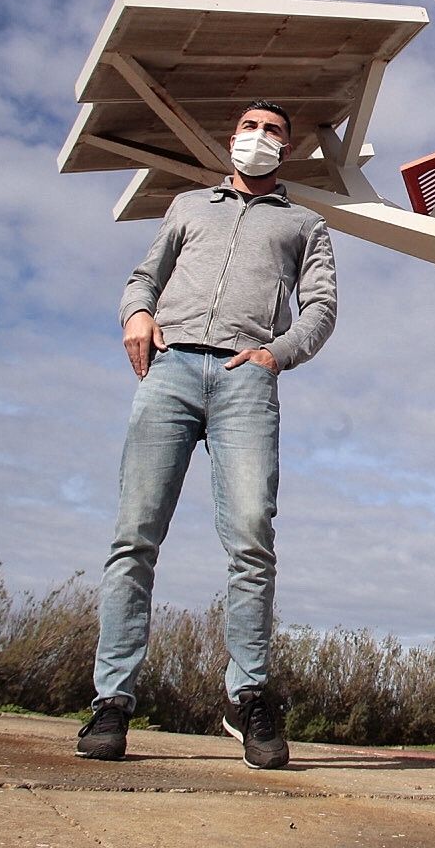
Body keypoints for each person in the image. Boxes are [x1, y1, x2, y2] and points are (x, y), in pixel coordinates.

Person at [76, 101, 338, 768]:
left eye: (273, 131)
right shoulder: (189, 207)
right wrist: (137, 315)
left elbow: (322, 305)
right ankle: (111, 701)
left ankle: (248, 695)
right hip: (170, 372)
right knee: (134, 534)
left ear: (288, 147)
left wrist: (279, 352)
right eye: (250, 128)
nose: (259, 138)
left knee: (252, 537)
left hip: (246, 379)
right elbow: (145, 277)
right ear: (232, 140)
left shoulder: (306, 223)